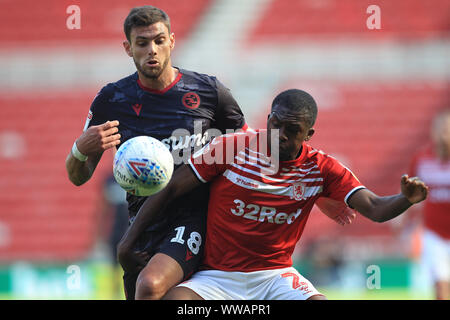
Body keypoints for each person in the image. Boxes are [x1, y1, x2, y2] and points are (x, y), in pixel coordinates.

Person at [128, 89, 429, 300]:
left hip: (274, 277)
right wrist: (128, 240)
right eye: (276, 123)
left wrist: (406, 199)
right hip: (216, 277)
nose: (281, 134)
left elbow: (375, 208)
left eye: (292, 129)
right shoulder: (231, 147)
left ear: (309, 134)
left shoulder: (322, 168)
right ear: (269, 117)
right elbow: (170, 189)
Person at [65, 5, 250, 300]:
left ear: (172, 41)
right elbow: (78, 176)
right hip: (141, 224)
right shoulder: (113, 100)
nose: (152, 50)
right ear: (128, 48)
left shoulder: (209, 92)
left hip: (195, 219)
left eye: (159, 41)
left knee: (151, 287)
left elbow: (244, 147)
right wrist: (79, 149)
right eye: (142, 43)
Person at [407, 109, 450, 300]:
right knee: (440, 285)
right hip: (434, 233)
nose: (444, 136)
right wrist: (402, 216)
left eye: (447, 131)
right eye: (441, 130)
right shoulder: (422, 159)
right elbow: (411, 194)